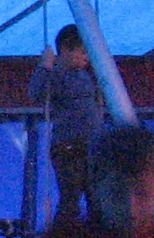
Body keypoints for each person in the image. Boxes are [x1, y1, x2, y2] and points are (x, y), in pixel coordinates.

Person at [28, 26, 103, 223]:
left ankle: (96, 237)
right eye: (82, 52)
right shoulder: (56, 75)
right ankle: (63, 235)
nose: (87, 57)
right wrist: (45, 65)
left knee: (97, 200)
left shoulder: (85, 76)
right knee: (71, 200)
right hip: (69, 148)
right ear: (66, 50)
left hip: (91, 148)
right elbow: (36, 93)